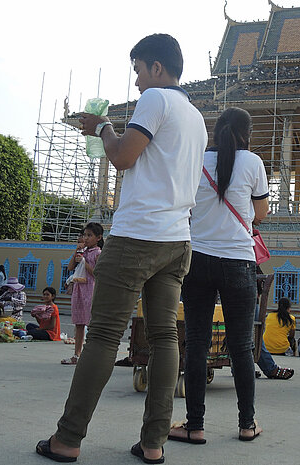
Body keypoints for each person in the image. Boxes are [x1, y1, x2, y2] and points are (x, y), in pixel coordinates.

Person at [36, 34, 207, 464]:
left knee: (104, 335)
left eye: (137, 70)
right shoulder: (196, 116)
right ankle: (153, 444)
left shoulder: (156, 100)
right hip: (177, 240)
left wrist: (104, 127)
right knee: (166, 335)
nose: (135, 81)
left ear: (155, 68)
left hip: (136, 237)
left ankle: (68, 438)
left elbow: (124, 157)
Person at [166, 106, 266, 446]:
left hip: (199, 258)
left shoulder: (196, 162)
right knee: (241, 346)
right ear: (246, 133)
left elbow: (185, 207)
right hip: (239, 261)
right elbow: (260, 214)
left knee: (196, 342)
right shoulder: (253, 163)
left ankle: (194, 426)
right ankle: (247, 424)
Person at [61, 223, 103, 365]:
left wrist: (85, 263)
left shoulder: (98, 253)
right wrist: (76, 253)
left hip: (90, 289)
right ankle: (76, 355)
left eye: (89, 235)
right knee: (79, 323)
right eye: (84, 235)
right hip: (79, 289)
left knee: (91, 323)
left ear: (98, 238)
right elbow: (70, 267)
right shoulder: (82, 251)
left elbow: (98, 274)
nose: (86, 238)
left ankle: (91, 355)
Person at [254, 276, 294, 380]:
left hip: (269, 345)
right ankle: (270, 368)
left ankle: (238, 369)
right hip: (282, 348)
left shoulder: (270, 316)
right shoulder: (291, 318)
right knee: (255, 339)